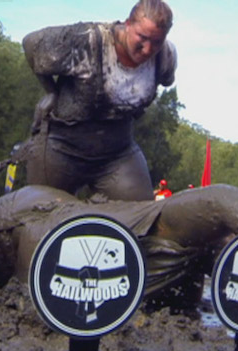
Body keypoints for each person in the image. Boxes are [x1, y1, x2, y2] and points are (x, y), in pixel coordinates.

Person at [0, 184, 238, 327]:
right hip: (26, 221)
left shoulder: (179, 264)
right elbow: (221, 199)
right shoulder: (164, 231)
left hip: (51, 219)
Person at [21, 0, 177, 201]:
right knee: (42, 214)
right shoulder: (89, 41)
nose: (148, 49)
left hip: (117, 152)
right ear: (128, 24)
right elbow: (32, 44)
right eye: (142, 37)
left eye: (156, 41)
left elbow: (166, 79)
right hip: (62, 145)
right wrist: (51, 91)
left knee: (142, 217)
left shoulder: (165, 57)